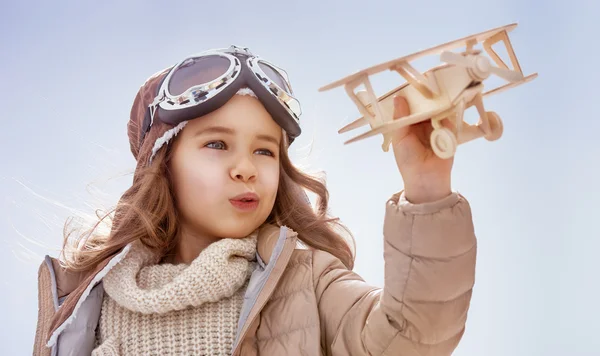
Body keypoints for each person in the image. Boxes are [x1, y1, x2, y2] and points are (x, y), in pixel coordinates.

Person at [33, 45, 477, 356]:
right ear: (162, 165)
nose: (246, 167)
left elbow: (411, 336)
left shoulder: (306, 280)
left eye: (264, 150)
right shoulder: (89, 304)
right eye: (217, 145)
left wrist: (426, 186)